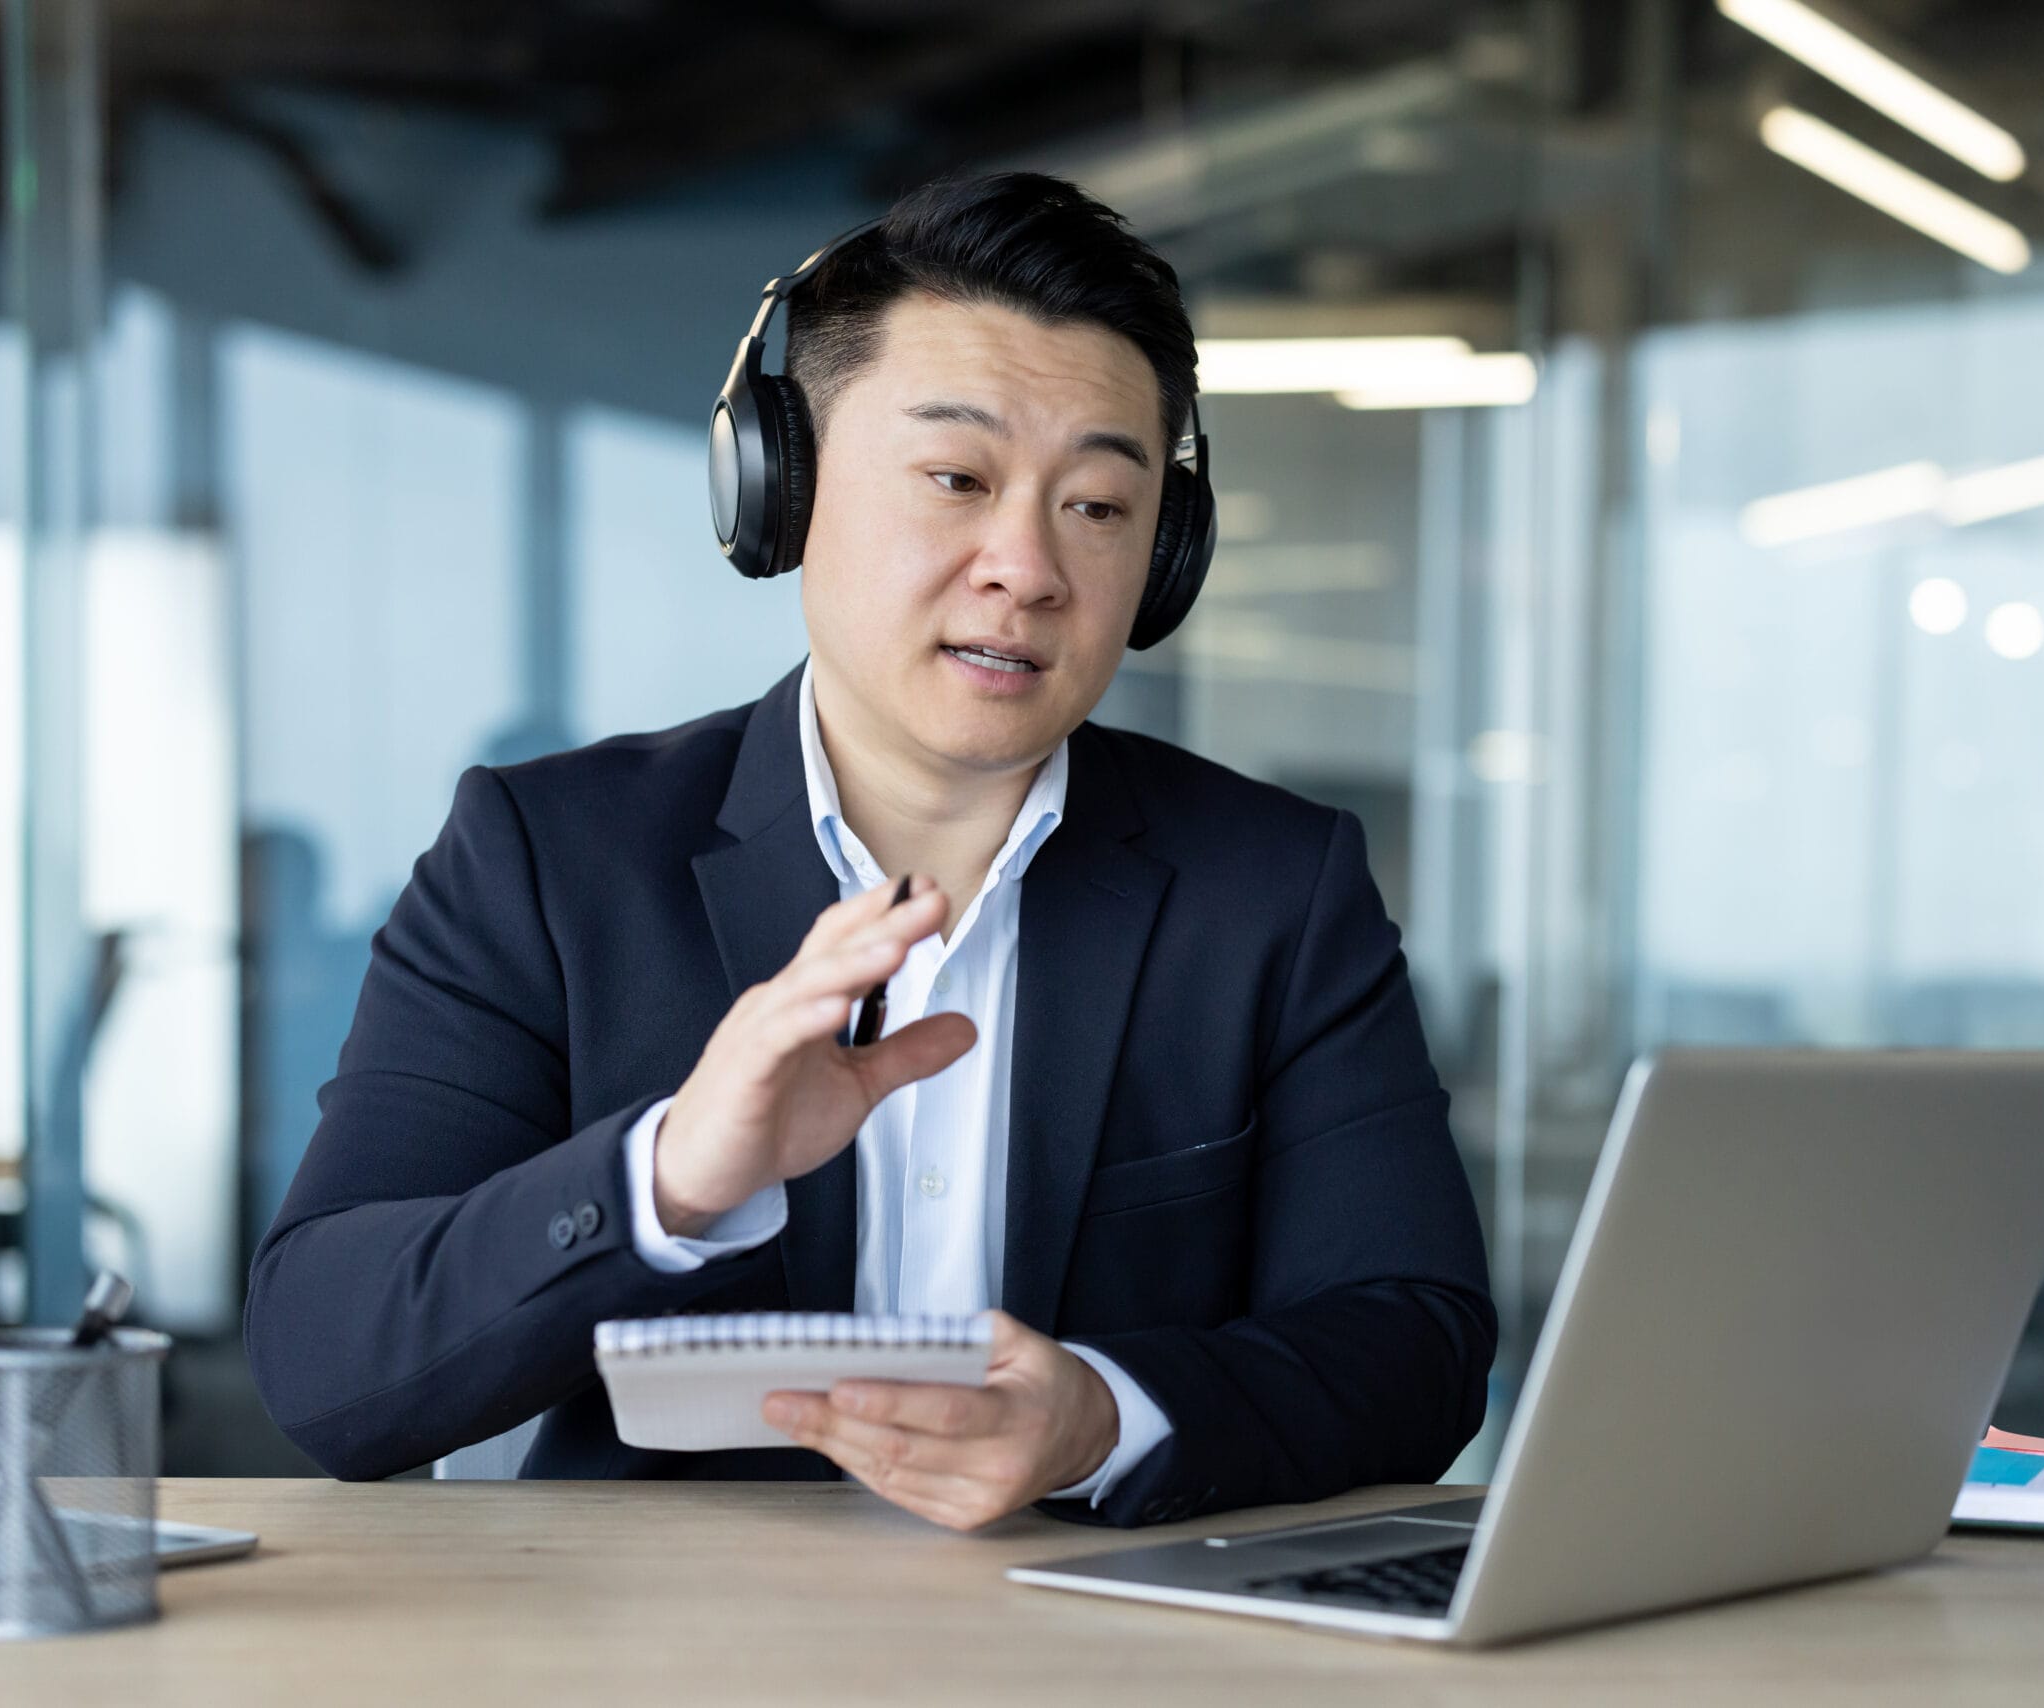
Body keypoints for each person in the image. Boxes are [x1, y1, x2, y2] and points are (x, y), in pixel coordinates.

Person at [244, 170, 1494, 1531]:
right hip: (671, 1632)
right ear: (782, 492)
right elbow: (328, 1368)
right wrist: (672, 1177)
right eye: (957, 479)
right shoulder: (545, 861)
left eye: (1096, 506)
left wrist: (1099, 1417)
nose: (1027, 567)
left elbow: (1415, 1347)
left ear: (1164, 555)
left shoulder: (1274, 889)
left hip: (1107, 1627)